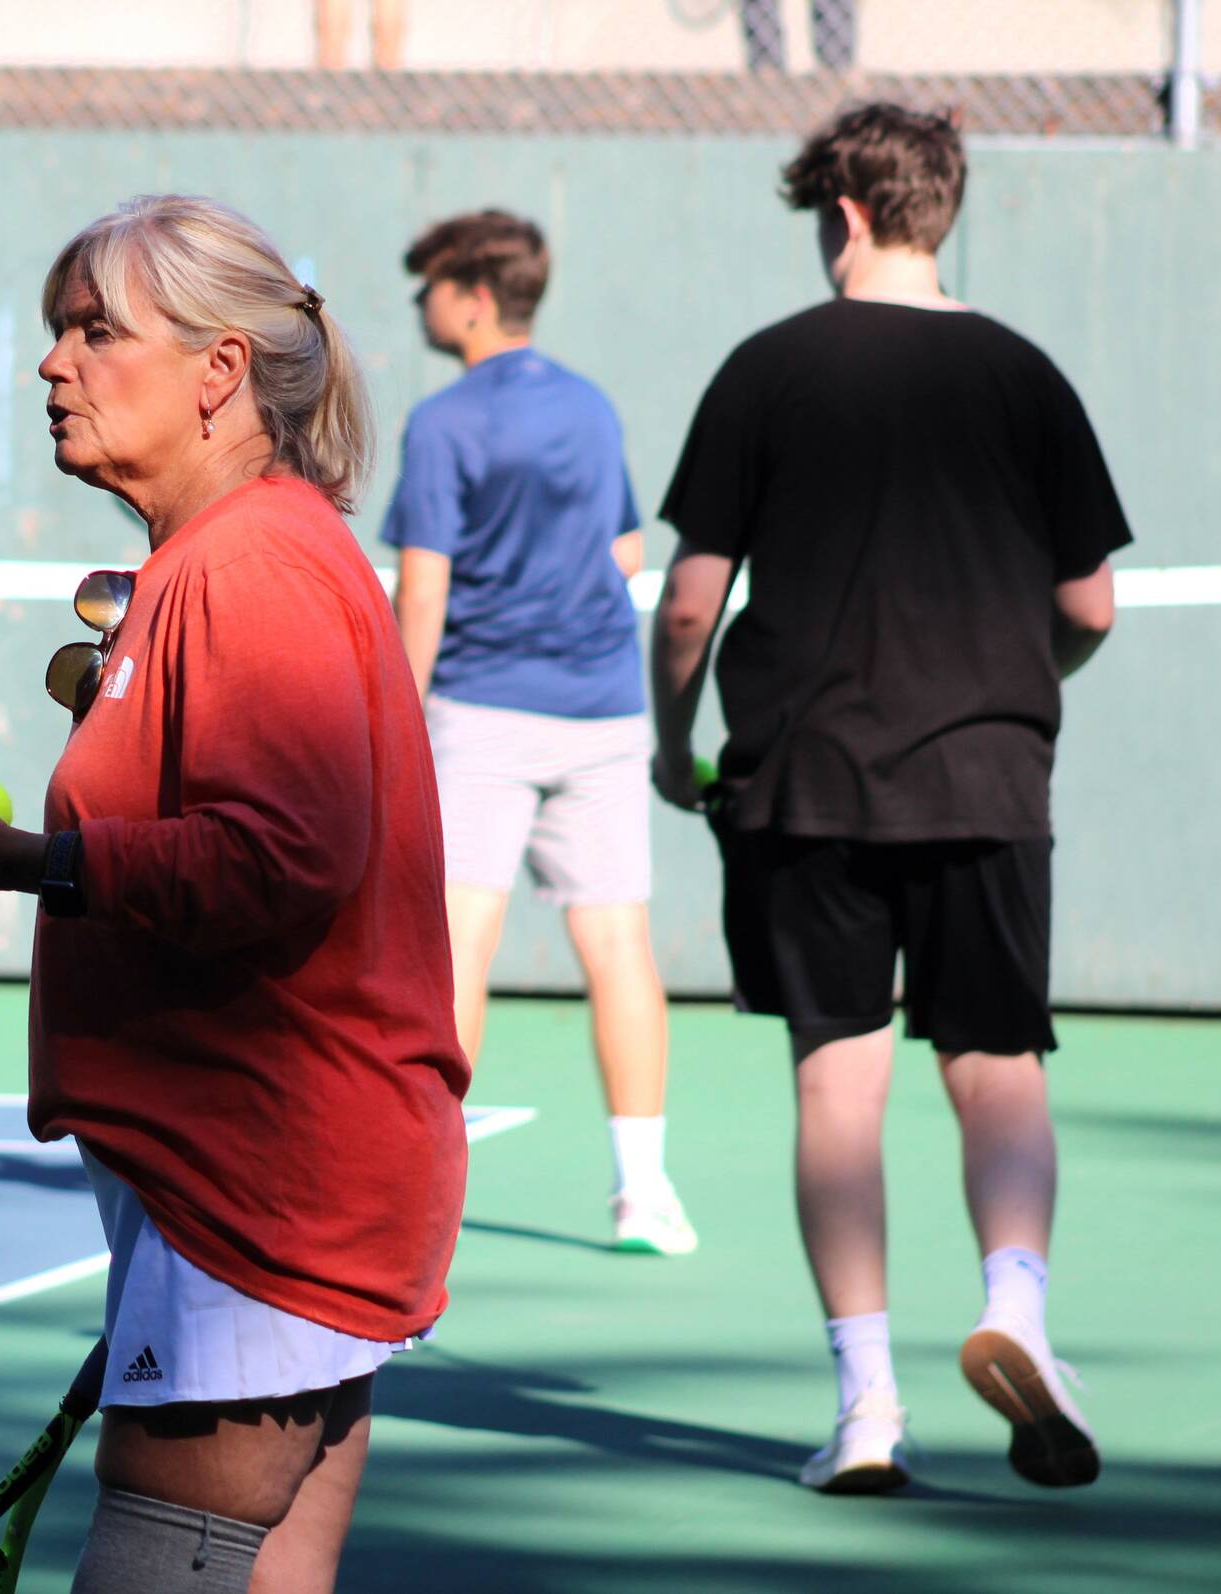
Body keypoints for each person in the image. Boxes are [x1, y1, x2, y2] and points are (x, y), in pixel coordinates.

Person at [0, 195, 470, 1594]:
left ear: (219, 371)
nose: (52, 365)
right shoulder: (234, 556)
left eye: (94, 331)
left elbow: (278, 855)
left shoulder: (250, 562)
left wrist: (30, 859)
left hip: (260, 1181)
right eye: (56, 331)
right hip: (286, 1170)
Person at [651, 102, 1128, 1494]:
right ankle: (1017, 1309)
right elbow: (1087, 603)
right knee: (996, 1066)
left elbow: (691, 605)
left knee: (838, 1079)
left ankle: (867, 1406)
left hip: (806, 777)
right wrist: (1012, 675)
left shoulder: (767, 369)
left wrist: (672, 744)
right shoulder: (1024, 375)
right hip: (987, 772)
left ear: (844, 217)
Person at [384, 209, 695, 1256]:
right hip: (602, 711)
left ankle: (424, 1194)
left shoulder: (440, 423)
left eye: (428, 284)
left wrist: (385, 724)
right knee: (617, 944)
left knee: (457, 949)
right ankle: (641, 1191)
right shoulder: (590, 407)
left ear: (472, 298)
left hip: (479, 713)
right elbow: (625, 555)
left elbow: (421, 594)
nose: (419, 302)